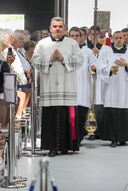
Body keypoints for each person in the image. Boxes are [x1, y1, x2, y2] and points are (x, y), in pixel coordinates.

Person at [32, 17, 84, 157]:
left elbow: (80, 60)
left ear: (65, 29)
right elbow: (35, 61)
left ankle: (67, 146)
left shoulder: (72, 43)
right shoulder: (42, 44)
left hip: (67, 86)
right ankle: (52, 147)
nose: (57, 29)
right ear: (50, 28)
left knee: (66, 116)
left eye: (60, 26)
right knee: (50, 117)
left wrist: (63, 59)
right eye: (55, 26)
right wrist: (49, 59)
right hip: (49, 86)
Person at [98, 31, 128, 147]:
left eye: (120, 38)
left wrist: (126, 65)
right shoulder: (106, 52)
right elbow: (100, 66)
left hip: (125, 87)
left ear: (124, 39)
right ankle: (113, 138)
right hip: (111, 86)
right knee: (112, 111)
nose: (118, 40)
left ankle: (123, 138)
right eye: (116, 38)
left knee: (123, 111)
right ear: (112, 39)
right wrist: (109, 69)